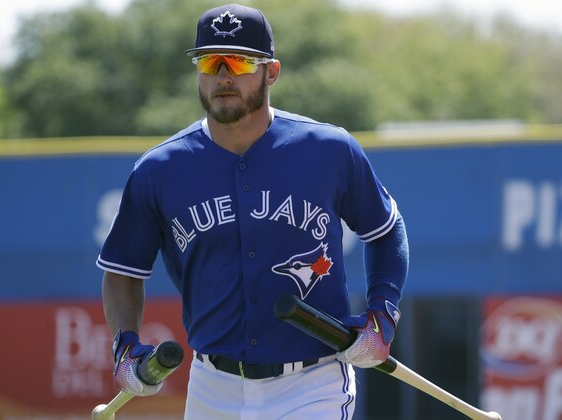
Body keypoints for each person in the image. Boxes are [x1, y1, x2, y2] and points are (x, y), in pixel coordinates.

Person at [97, 3, 409, 418]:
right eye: (210, 61)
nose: (223, 75)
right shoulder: (159, 169)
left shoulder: (330, 150)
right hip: (213, 386)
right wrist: (124, 345)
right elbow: (122, 273)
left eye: (240, 62)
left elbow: (386, 230)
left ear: (271, 72)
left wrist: (381, 316)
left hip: (312, 384)